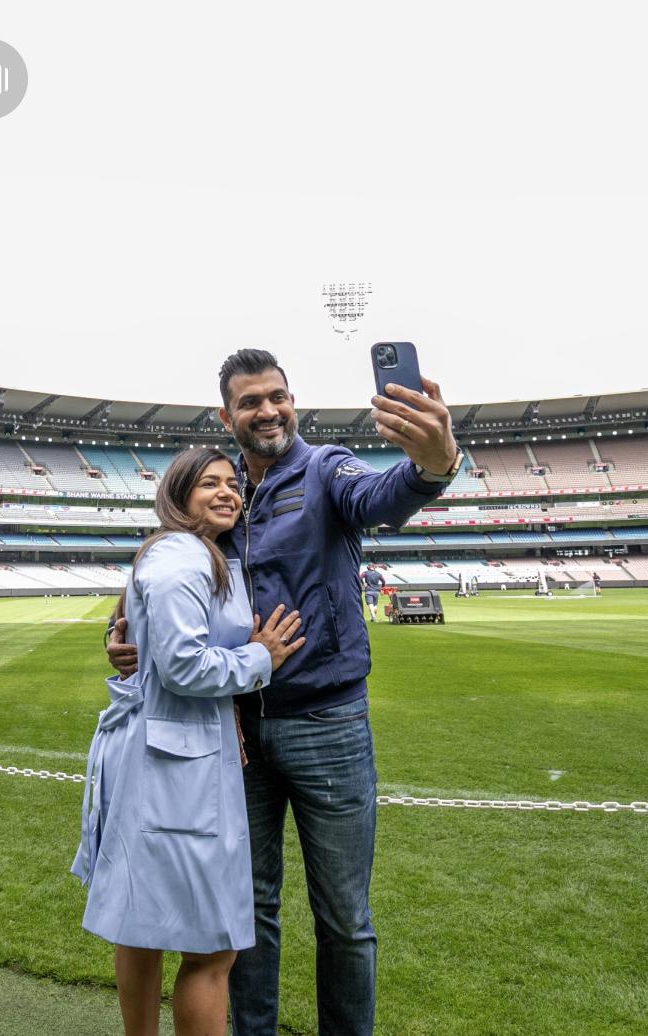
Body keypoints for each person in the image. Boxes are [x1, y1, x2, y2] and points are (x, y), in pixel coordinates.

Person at [108, 349, 460, 1036]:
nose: (268, 410)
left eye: (278, 396)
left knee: (344, 918)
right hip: (234, 734)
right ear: (227, 416)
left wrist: (433, 465)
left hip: (328, 724)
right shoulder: (220, 491)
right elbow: (164, 582)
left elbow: (380, 498)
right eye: (251, 402)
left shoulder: (326, 469)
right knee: (246, 911)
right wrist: (122, 637)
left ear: (292, 401)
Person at [72, 447, 305, 1036]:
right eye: (209, 483)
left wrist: (122, 642)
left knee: (141, 925)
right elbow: (183, 666)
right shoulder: (183, 559)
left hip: (164, 758)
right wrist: (260, 657)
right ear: (179, 495)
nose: (227, 492)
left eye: (232, 484)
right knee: (211, 946)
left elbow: (143, 640)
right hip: (178, 768)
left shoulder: (185, 554)